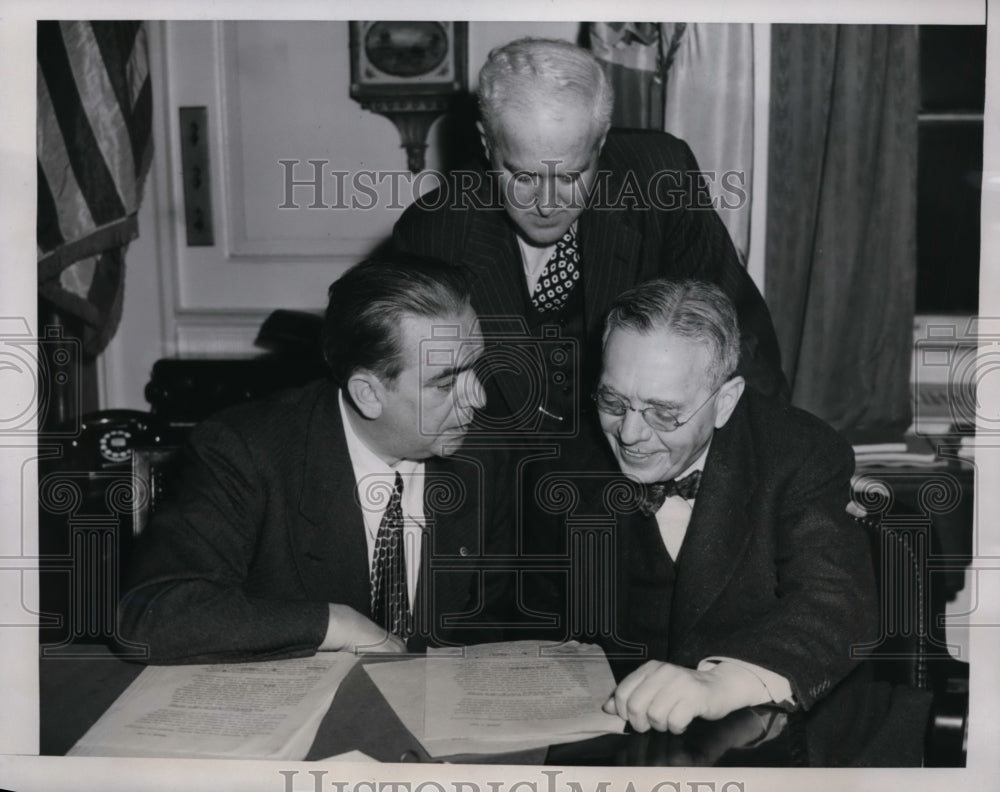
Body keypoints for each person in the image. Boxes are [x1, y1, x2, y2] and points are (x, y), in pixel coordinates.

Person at [393, 38, 786, 636]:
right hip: (505, 510)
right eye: (521, 176)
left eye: (573, 175)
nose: (548, 204)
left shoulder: (660, 179)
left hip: (639, 480)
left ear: (601, 145)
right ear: (485, 145)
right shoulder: (434, 233)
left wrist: (780, 478)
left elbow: (741, 343)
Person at [576, 278, 916, 763]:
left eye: (664, 413)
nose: (630, 434)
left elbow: (836, 602)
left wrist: (720, 682)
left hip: (781, 744)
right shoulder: (565, 458)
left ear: (726, 400)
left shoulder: (799, 454)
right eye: (613, 402)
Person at [118, 254, 512, 663]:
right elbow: (149, 616)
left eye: (475, 367)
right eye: (446, 383)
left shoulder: (484, 454)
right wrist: (332, 625)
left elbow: (492, 622)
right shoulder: (244, 453)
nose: (479, 398)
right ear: (368, 395)